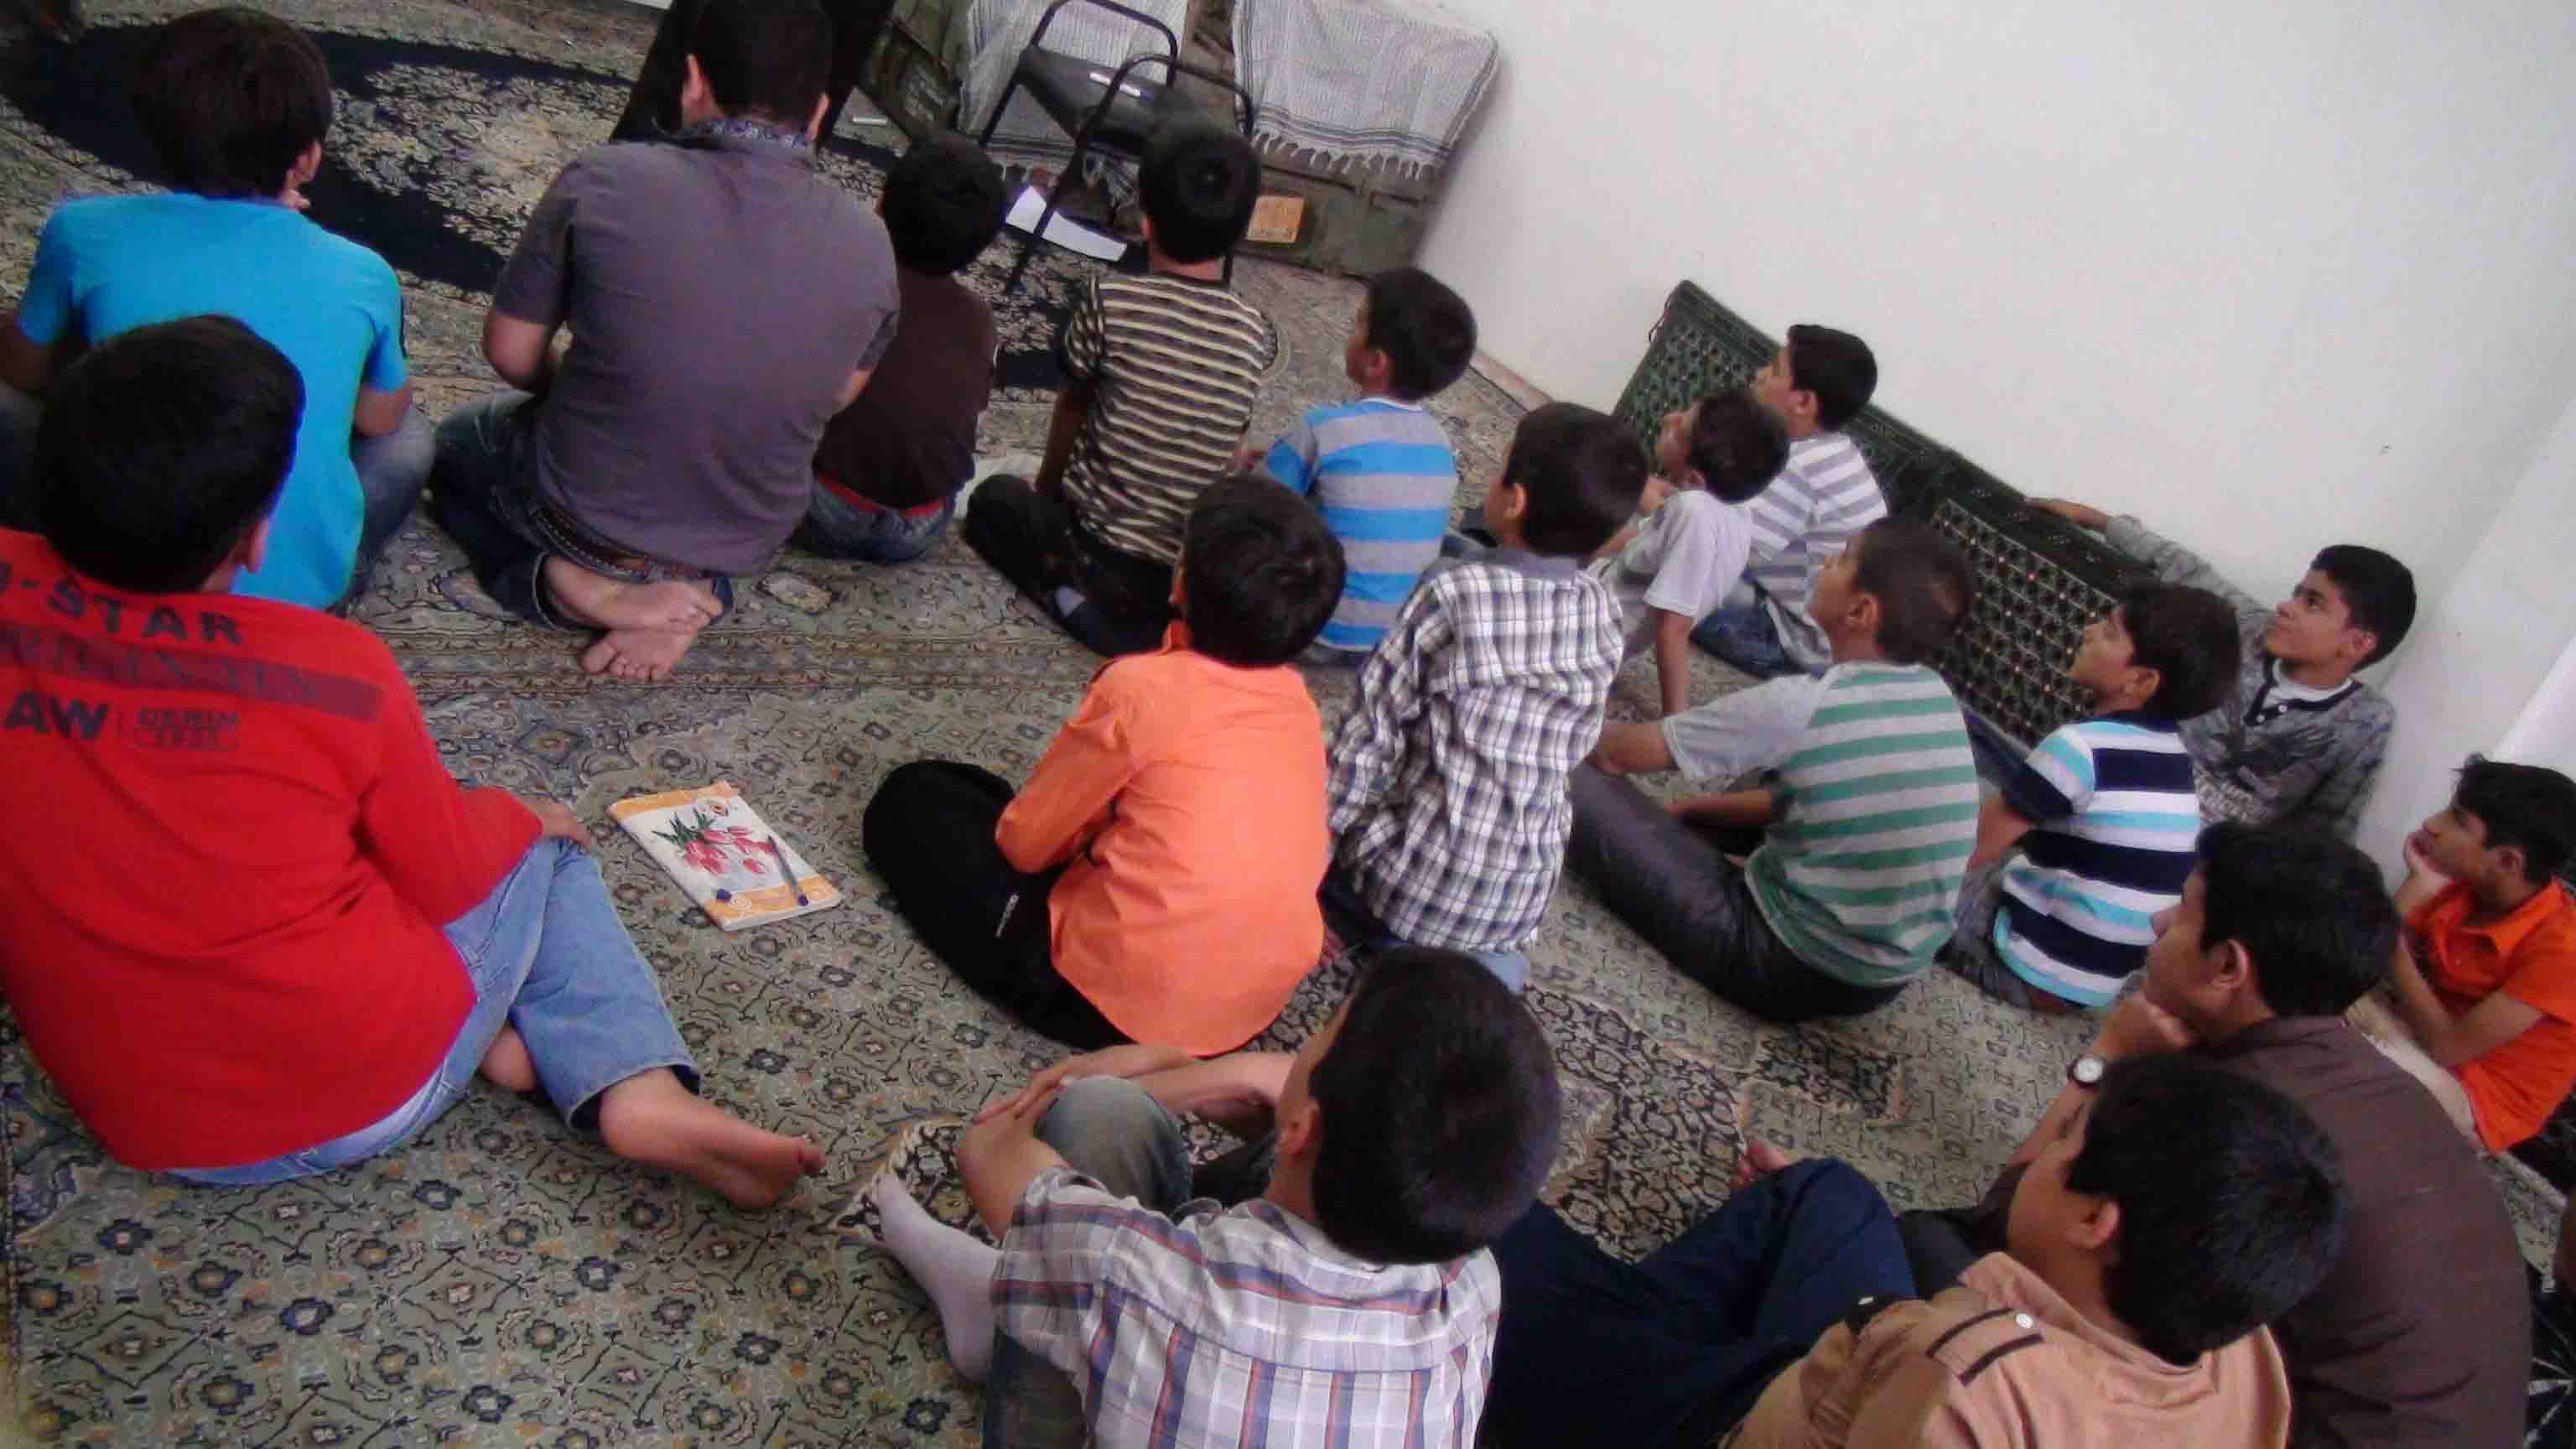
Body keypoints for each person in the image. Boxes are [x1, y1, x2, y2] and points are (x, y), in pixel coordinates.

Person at [0, 317, 823, 1206]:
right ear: (255, 540)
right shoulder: (336, 672)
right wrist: (522, 818)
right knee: (536, 841)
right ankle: (637, 1086)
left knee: (310, 833)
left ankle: (509, 1039)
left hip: (150, 1124)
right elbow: (449, 877)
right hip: (363, 1092)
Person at [1900, 823, 2529, 1448]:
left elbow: (2013, 1217)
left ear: (2228, 965)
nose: (2157, 924)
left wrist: (2109, 1054)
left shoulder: (2225, 1109)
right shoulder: (2372, 1076)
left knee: (1928, 1245)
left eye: (2181, 912)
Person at [868, 948, 1561, 1448]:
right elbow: (1325, 1126)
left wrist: (1088, 1083)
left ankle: (998, 1321)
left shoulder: (1144, 1284)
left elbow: (989, 1153)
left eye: (1325, 1027)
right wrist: (1211, 1077)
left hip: (1166, 1317)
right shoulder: (1472, 1283)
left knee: (1092, 1119)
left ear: (1303, 1127)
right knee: (1131, 1123)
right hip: (1236, 1320)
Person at [1480, 1055, 2340, 1448]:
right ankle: (1624, 1352)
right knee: (1831, 1194)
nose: (2042, 1151)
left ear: (2095, 1223)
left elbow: (1933, 1383)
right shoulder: (2237, 1344)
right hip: (1845, 1374)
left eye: (2064, 1138)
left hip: (1743, 1423)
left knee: (1489, 1231)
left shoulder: (1968, 1391)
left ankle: (1586, 1377)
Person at [432, 0, 900, 681]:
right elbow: (831, 400)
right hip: (740, 541)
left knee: (450, 449)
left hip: (581, 520)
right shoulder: (873, 243)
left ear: (692, 81)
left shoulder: (604, 177)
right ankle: (696, 603)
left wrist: (592, 385)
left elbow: (510, 352)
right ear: (821, 112)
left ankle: (569, 585)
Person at [862, 479, 1343, 1053]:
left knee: (912, 797)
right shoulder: (1299, 706)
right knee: (986, 796)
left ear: (1182, 581)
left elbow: (1025, 847)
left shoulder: (1141, 690)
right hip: (1246, 1012)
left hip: (1111, 1008)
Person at [0, 6, 432, 610]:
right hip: (300, 601)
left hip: (118, 554)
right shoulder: (364, 272)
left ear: (154, 133)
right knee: (411, 436)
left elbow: (20, 371)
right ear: (307, 160)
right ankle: (334, 575)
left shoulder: (83, 231)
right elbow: (381, 420)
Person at [1578, 518, 1979, 1021]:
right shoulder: (1936, 698)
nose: (1825, 564)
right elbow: (1824, 797)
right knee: (1777, 768)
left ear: (1861, 611)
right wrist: (1701, 811)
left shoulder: (1804, 706)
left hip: (1780, 962)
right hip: (1879, 982)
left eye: (1841, 559)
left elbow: (1613, 754)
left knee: (1571, 773)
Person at [1325, 402, 1644, 989]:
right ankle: (1470, 968)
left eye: (1499, 469)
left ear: (1513, 501)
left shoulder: (1453, 593)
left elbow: (1367, 738)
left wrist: (1307, 862)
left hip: (1411, 883)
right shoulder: (1604, 612)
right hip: (1514, 902)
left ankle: (1363, 929)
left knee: (1308, 806)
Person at [963, 118, 1278, 657]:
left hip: (1093, 554)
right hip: (1174, 581)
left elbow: (1073, 406)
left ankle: (1073, 597)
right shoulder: (1254, 333)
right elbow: (1229, 449)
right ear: (1240, 232)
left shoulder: (1111, 300)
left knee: (993, 501)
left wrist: (1047, 489)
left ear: (1145, 221)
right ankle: (1137, 624)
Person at [2031, 498, 2415, 839]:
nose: (2286, 607)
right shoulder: (2249, 628)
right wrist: (2098, 521)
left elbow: (2326, 832)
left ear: (2358, 643)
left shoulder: (2364, 723)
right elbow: (2186, 570)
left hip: (2201, 868)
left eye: (2312, 603)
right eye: (2296, 594)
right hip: (2120, 800)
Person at [1940, 582, 2241, 1011]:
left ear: (2141, 680)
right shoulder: (2176, 760)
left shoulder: (2080, 747)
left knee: (1931, 807)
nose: (2088, 631)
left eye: (2110, 631)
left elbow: (1969, 849)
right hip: (2086, 989)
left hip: (2018, 964)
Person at [797, 131, 1007, 564]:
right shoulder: (981, 320)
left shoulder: (847, 279)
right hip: (920, 528)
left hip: (823, 507)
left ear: (879, 204)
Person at [1247, 266, 1477, 658]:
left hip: (1310, 628)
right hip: (1388, 639)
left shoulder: (1322, 428)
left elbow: (1254, 505)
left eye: (1357, 322)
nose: (1349, 330)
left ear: (1375, 362)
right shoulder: (1441, 445)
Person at [2348, 755, 2576, 1150]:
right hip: (2411, 1031)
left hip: (2473, 1092)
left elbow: (2448, 1047)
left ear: (2506, 861)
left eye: (2456, 820)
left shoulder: (2565, 950)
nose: (2432, 824)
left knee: (2334, 1054)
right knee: (2299, 980)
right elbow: (2362, 956)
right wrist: (2417, 883)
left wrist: (2395, 945)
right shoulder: (2464, 884)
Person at [1690, 325, 1884, 678]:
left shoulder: (1800, 467)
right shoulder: (1832, 451)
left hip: (1786, 641)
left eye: (1775, 369)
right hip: (1802, 623)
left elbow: (1719, 544)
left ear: (1803, 402)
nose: (1760, 374)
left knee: (1663, 584)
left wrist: (1647, 497)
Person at [1588, 388, 1789, 715]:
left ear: (1695, 480)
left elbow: (1674, 629)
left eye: (1679, 429)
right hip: (1598, 624)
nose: (1669, 418)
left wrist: (1673, 723)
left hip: (1583, 633)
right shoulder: (1737, 515)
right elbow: (1640, 539)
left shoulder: (1692, 514)